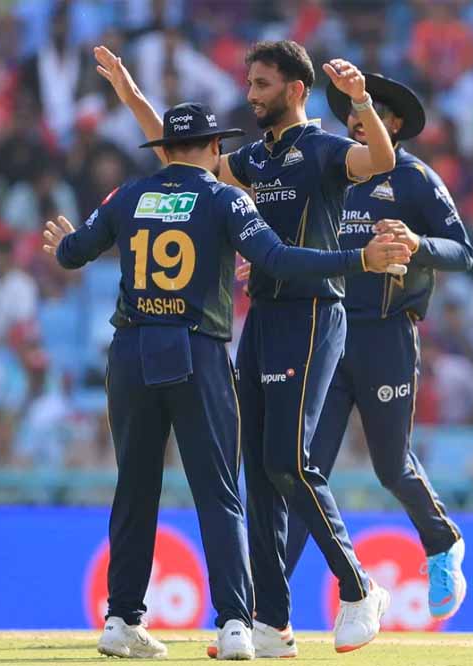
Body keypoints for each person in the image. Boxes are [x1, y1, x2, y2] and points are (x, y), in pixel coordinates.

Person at [42, 102, 410, 660]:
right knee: (218, 492)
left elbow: (73, 254)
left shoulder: (130, 194)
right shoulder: (224, 197)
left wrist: (65, 241)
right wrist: (359, 260)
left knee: (134, 488)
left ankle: (121, 619)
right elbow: (277, 259)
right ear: (215, 148)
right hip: (196, 351)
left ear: (164, 150)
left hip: (131, 352)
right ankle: (235, 624)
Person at [280, 73, 473, 621]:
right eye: (349, 112)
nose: (354, 121)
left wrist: (417, 243)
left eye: (369, 112)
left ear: (394, 124)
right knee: (304, 470)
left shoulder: (414, 179)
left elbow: (463, 251)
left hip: (386, 334)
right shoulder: (332, 171)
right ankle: (266, 603)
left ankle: (442, 543)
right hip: (327, 331)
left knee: (391, 466)